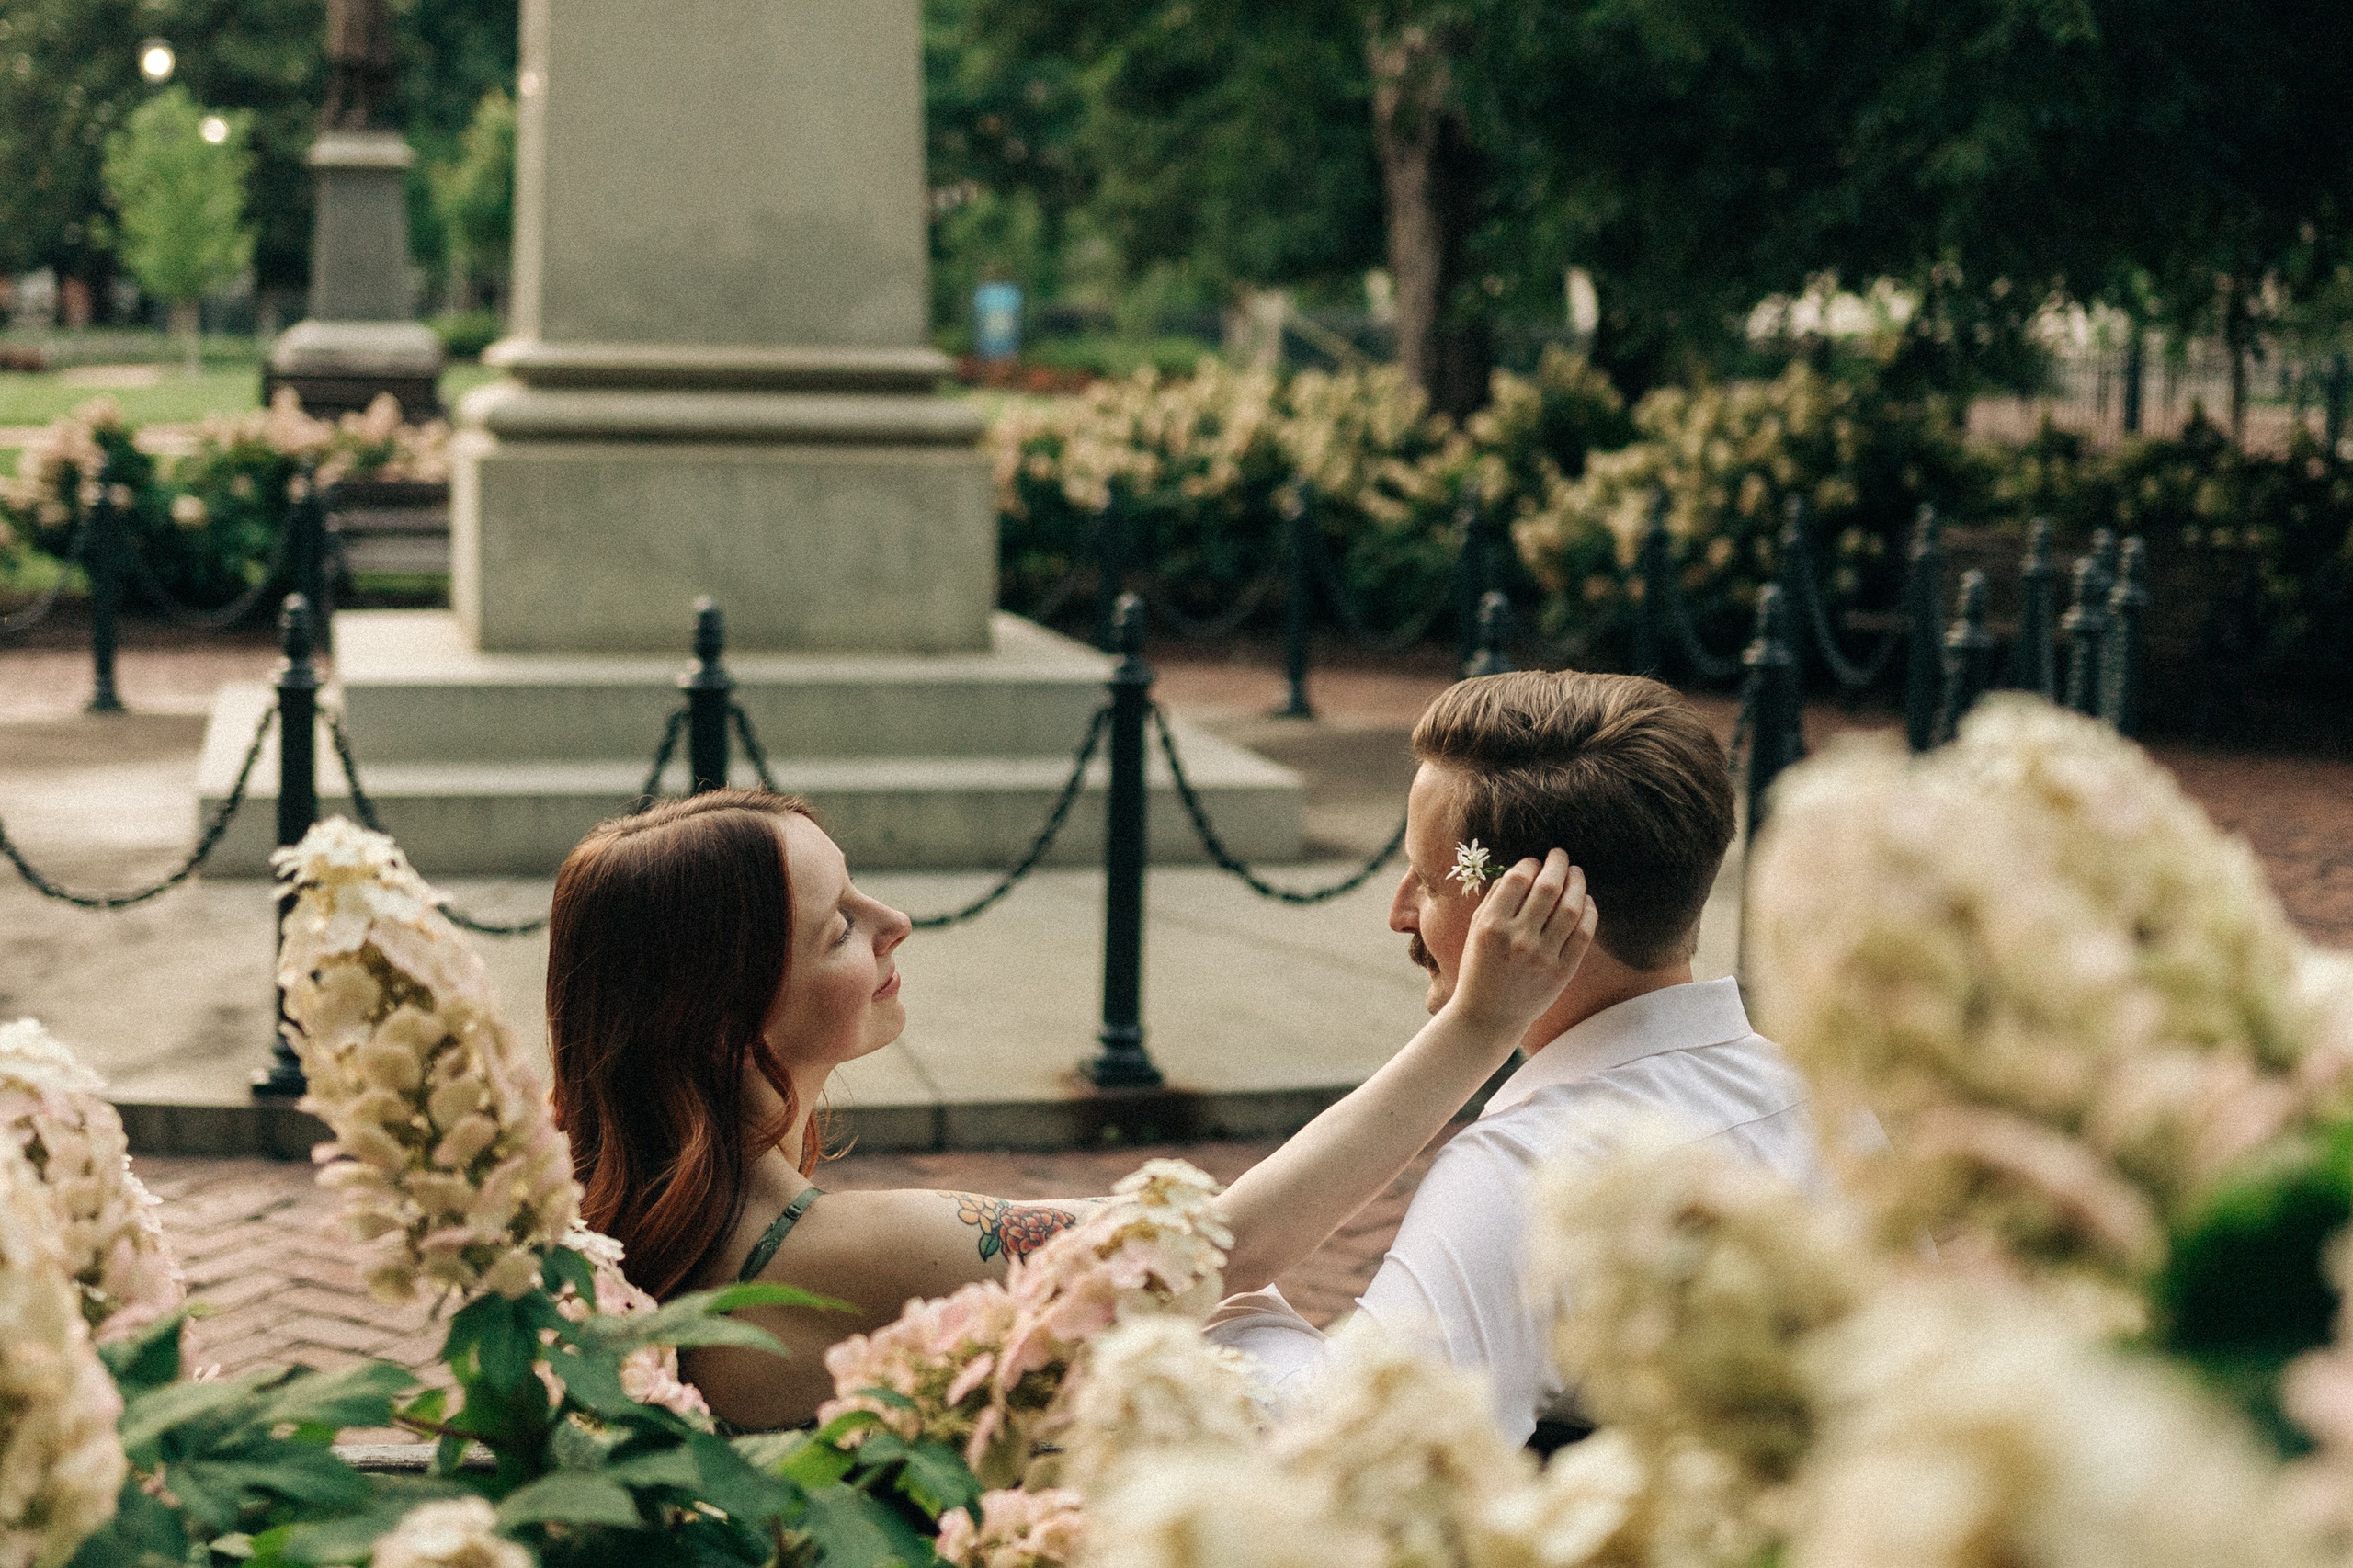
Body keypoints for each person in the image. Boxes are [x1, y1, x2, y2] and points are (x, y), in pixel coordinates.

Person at [544, 787, 1597, 1432]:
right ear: (731, 1026)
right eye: (838, 930)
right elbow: (1222, 1244)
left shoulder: (650, 1231)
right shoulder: (826, 1250)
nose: (895, 922)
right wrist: (1478, 1026)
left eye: (864, 892)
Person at [1207, 670, 1825, 1447]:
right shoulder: (1831, 1103)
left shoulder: (1526, 1172)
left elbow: (1362, 1449)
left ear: (1536, 903)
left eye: (1429, 882)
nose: (1397, 911)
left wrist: (1234, 1306)